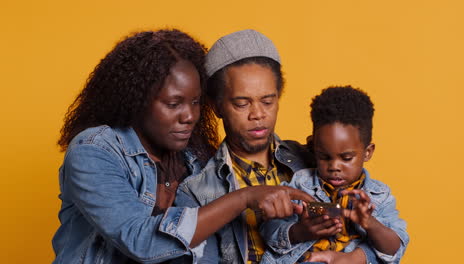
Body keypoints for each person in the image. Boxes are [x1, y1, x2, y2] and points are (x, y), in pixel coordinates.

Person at [52, 29, 313, 264]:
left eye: (196, 102)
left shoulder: (195, 161)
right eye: (174, 104)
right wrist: (244, 198)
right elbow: (141, 241)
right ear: (137, 100)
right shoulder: (94, 151)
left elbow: (207, 252)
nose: (189, 116)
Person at [176, 29, 354, 264]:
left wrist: (356, 256)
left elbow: (376, 233)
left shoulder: (317, 160)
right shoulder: (196, 192)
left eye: (268, 101)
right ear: (217, 106)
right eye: (242, 103)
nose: (258, 114)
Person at [260, 86, 409, 264]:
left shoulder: (379, 196)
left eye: (346, 158)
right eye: (324, 157)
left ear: (368, 152)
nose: (334, 167)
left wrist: (369, 223)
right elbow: (269, 232)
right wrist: (301, 231)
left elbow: (394, 249)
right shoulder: (300, 185)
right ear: (312, 146)